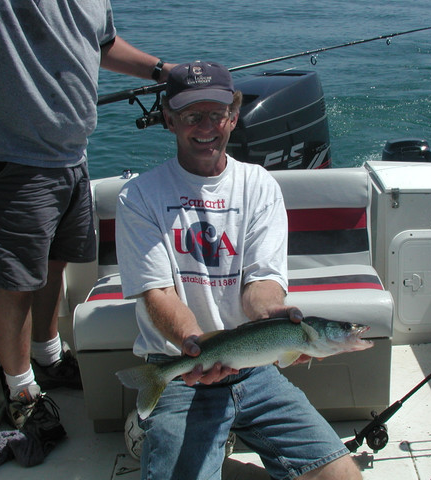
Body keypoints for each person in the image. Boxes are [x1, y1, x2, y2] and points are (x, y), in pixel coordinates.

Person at [116, 61, 362, 480]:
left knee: (342, 477)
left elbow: (260, 287)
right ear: (169, 120)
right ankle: (161, 425)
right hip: (182, 370)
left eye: (216, 113)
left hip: (255, 369)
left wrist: (270, 314)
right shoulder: (139, 195)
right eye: (192, 115)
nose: (206, 126)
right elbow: (158, 294)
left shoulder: (260, 185)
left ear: (234, 115)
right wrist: (196, 346)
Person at [0, 0, 174, 443]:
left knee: (56, 263)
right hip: (11, 156)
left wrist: (163, 71)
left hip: (72, 155)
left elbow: (103, 44)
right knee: (16, 281)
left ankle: (49, 357)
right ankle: (22, 394)